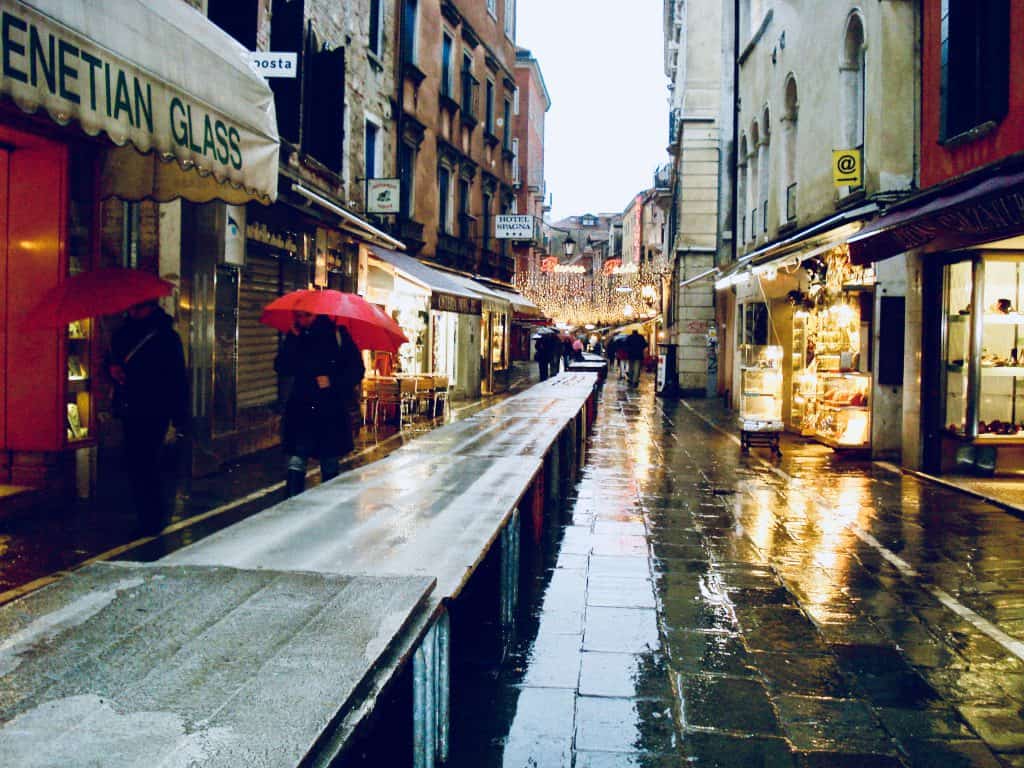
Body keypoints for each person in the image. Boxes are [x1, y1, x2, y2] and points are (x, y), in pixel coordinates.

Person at [107, 300, 188, 535]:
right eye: (131, 308)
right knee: (135, 462)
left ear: (151, 308)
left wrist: (179, 414)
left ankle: (153, 517)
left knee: (147, 461)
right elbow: (110, 363)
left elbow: (177, 377)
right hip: (130, 406)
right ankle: (146, 513)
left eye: (139, 308)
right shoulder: (122, 335)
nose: (134, 312)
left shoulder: (166, 337)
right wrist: (113, 370)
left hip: (156, 408)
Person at [275, 311, 365, 497]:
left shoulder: (338, 335)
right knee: (296, 461)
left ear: (317, 315)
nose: (302, 320)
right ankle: (291, 507)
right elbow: (281, 367)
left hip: (329, 411)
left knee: (329, 461)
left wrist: (332, 380)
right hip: (301, 410)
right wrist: (291, 339)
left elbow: (357, 370)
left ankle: (327, 508)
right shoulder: (297, 336)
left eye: (306, 316)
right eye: (298, 316)